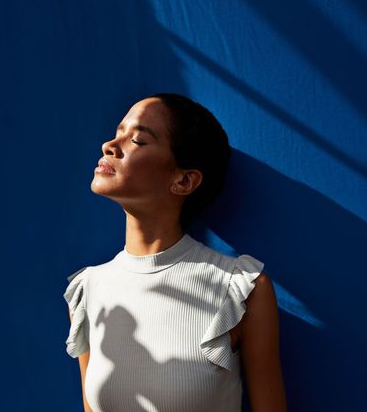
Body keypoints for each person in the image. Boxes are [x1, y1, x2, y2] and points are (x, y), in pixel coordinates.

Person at [63, 93, 287, 412]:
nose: (110, 146)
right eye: (118, 132)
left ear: (183, 180)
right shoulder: (88, 291)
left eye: (138, 140)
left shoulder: (241, 290)